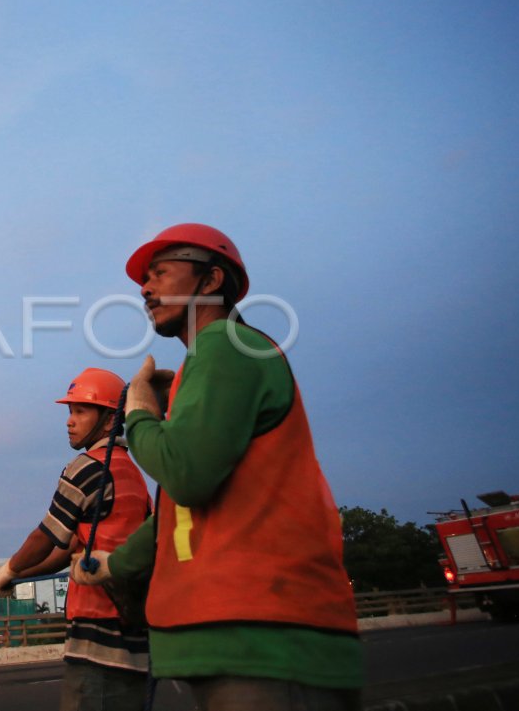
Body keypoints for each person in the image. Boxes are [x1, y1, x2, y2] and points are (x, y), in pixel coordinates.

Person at [72, 223, 364, 710]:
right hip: (241, 633)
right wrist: (113, 565)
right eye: (145, 279)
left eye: (161, 273)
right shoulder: (211, 358)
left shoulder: (226, 343)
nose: (145, 288)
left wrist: (140, 411)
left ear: (210, 280)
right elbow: (179, 513)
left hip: (264, 636)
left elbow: (185, 474)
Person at [0, 368, 151, 711]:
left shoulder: (87, 468)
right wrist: (16, 574)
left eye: (80, 411)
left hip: (95, 640)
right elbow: (67, 552)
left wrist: (6, 572)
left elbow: (45, 537)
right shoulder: (134, 476)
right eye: (70, 412)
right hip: (136, 643)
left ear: (109, 420)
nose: (69, 421)